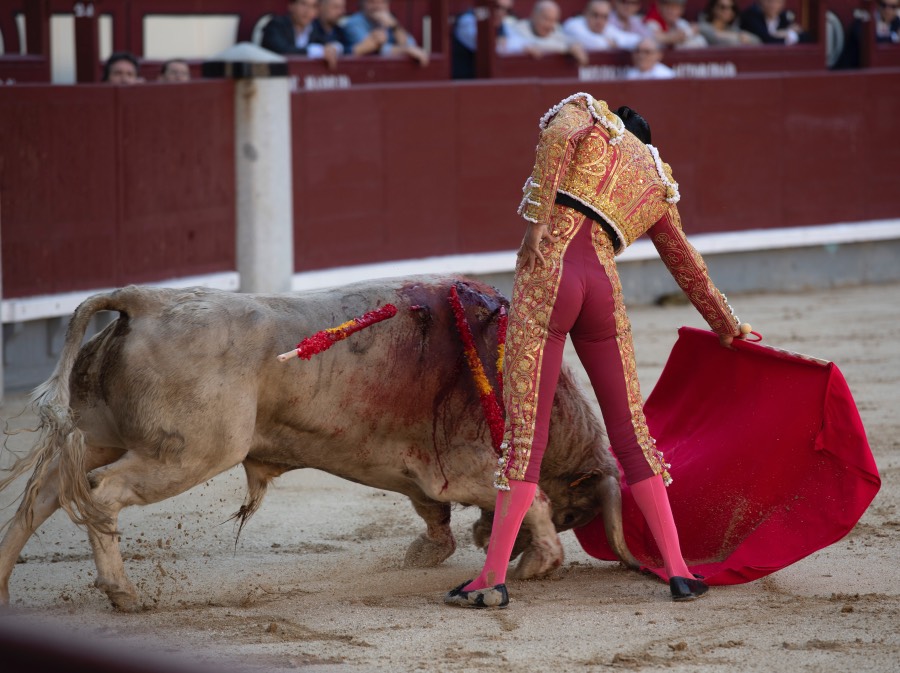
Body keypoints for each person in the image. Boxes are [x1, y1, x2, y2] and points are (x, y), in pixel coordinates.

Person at [444, 93, 747, 609]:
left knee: (525, 439)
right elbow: (685, 261)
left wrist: (536, 217)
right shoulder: (654, 181)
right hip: (602, 288)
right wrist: (727, 323)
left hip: (551, 271)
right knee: (632, 435)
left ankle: (492, 578)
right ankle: (678, 571)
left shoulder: (587, 115)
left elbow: (558, 134)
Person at [261, 0, 351, 69]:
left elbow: (335, 44)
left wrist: (333, 48)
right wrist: (318, 51)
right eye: (303, 4)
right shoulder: (276, 25)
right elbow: (282, 50)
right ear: (291, 6)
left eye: (313, 6)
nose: (308, 11)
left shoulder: (315, 29)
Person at [343, 0, 429, 66]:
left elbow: (410, 44)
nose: (378, 7)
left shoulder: (388, 21)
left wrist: (395, 27)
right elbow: (374, 50)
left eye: (382, 2)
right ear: (362, 4)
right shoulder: (353, 23)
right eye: (372, 2)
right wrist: (405, 51)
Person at [451, 0, 522, 79]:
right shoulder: (467, 21)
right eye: (497, 7)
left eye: (507, 10)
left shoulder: (501, 24)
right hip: (464, 82)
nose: (501, 13)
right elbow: (488, 47)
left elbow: (521, 42)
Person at [509, 0, 590, 64]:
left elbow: (573, 43)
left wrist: (574, 47)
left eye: (553, 21)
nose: (549, 25)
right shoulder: (518, 29)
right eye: (546, 19)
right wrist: (566, 49)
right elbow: (535, 46)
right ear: (533, 15)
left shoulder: (556, 31)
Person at [835, 0, 900, 69]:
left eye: (893, 7)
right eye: (884, 5)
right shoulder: (864, 19)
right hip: (852, 71)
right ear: (878, 5)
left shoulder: (896, 23)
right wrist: (894, 37)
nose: (887, 10)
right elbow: (869, 41)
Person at [563, 0, 645, 50]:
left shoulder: (608, 29)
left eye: (604, 17)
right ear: (586, 14)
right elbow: (596, 44)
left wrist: (616, 42)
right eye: (595, 15)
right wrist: (609, 43)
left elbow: (635, 39)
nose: (600, 21)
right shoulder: (573, 25)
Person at [738, 0, 811, 44]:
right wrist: (786, 33)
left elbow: (806, 37)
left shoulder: (784, 17)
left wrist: (789, 34)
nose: (773, 5)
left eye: (777, 2)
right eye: (770, 1)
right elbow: (766, 40)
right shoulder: (751, 15)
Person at [644, 0, 709, 48]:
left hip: (681, 63)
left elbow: (700, 43)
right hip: (657, 63)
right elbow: (661, 38)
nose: (671, 11)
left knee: (699, 40)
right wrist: (689, 32)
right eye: (668, 7)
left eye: (675, 7)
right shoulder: (652, 21)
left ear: (682, 10)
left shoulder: (681, 22)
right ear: (660, 7)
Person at [697, 0, 761, 46]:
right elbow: (713, 36)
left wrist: (740, 37)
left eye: (732, 8)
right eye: (723, 7)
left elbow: (757, 41)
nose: (728, 11)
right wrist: (737, 37)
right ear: (714, 8)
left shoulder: (733, 29)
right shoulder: (703, 26)